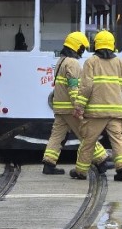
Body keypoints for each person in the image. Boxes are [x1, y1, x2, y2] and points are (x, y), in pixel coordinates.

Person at [41, 31, 109, 175]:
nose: (82, 52)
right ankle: (102, 160)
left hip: (60, 108)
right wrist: (79, 106)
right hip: (70, 108)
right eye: (82, 48)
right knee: (86, 134)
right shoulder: (72, 63)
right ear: (76, 46)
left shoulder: (61, 61)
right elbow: (73, 87)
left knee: (57, 136)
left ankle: (48, 163)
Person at [70, 30, 122, 182]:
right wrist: (116, 92)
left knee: (89, 141)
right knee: (118, 140)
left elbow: (86, 87)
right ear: (112, 45)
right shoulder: (121, 63)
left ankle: (81, 171)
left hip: (96, 111)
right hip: (116, 110)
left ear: (96, 44)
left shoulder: (91, 62)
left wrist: (79, 106)